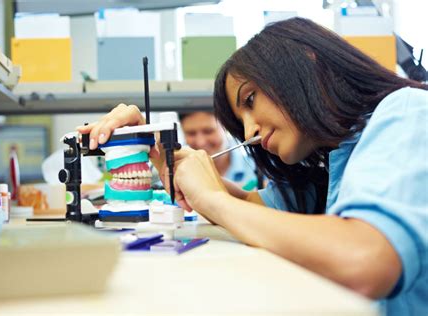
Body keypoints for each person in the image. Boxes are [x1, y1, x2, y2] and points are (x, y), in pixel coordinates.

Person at [78, 18, 427, 316]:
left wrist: (215, 200)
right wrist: (160, 153)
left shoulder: (408, 112)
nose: (250, 133)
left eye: (249, 100)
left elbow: (365, 260)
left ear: (306, 62)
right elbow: (250, 207)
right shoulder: (335, 159)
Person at [179, 111, 256, 187]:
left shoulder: (258, 168)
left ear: (226, 128)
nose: (201, 142)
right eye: (191, 133)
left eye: (208, 131)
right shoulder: (179, 173)